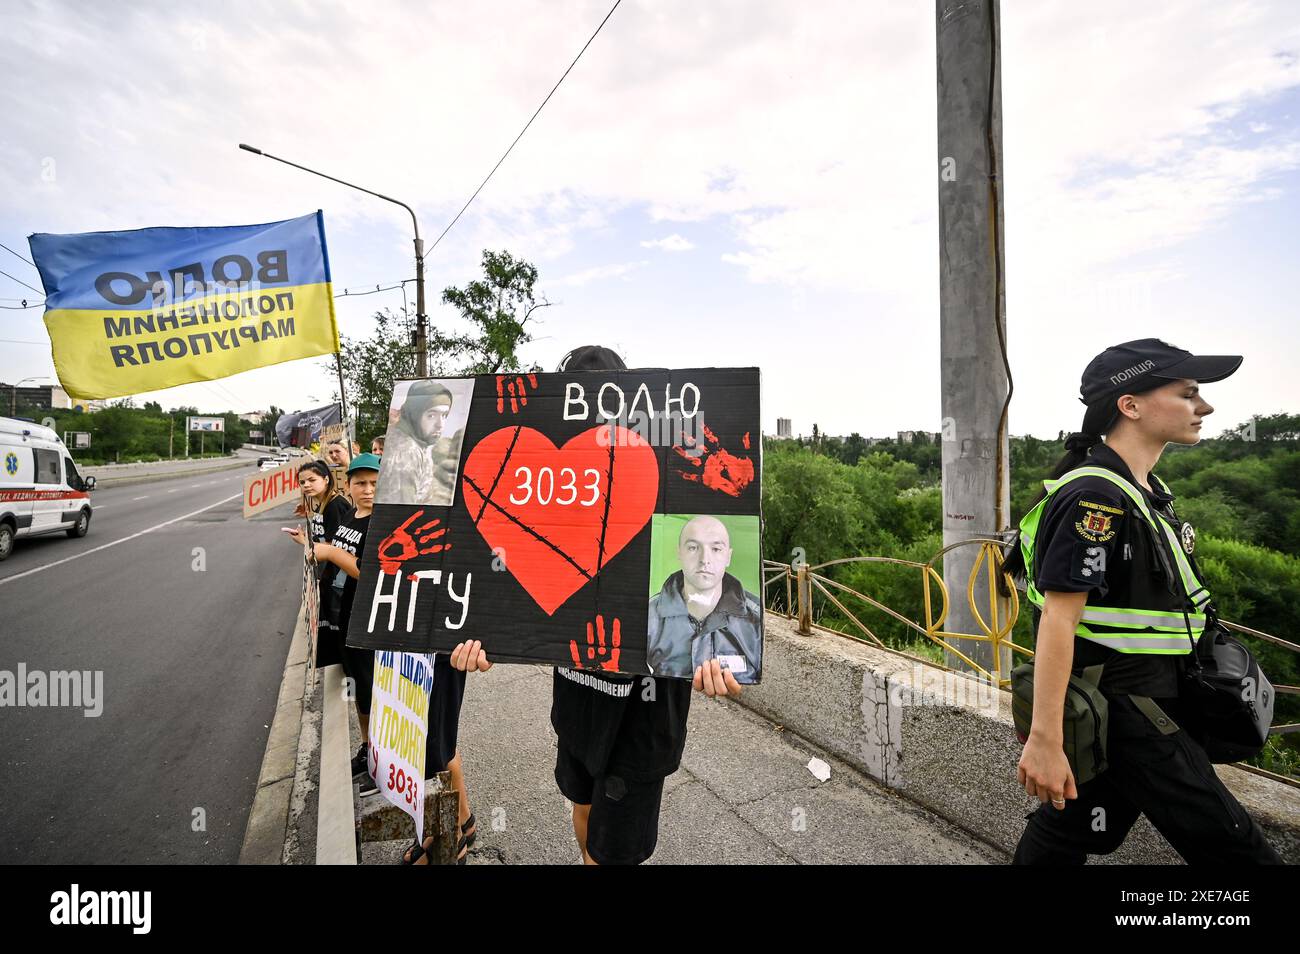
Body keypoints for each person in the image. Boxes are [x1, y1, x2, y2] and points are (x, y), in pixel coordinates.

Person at [451, 345, 744, 866]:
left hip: (644, 718)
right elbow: (503, 589)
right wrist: (481, 638)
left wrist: (716, 654)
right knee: (582, 810)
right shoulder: (545, 500)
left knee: (616, 852)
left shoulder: (667, 485)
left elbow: (704, 587)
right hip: (577, 704)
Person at [1008, 338, 1281, 864]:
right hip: (1134, 711)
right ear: (1130, 405)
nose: (1205, 407)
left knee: (1072, 825)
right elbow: (1058, 621)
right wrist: (1044, 739)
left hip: (1149, 696)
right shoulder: (1096, 497)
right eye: (1188, 394)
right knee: (1236, 847)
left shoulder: (1142, 487)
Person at [288, 455, 378, 781]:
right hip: (343, 618)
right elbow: (335, 548)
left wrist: (330, 553)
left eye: (374, 483)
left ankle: (383, 761)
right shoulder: (351, 516)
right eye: (361, 483)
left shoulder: (383, 522)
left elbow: (369, 573)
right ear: (349, 485)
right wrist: (311, 544)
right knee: (359, 694)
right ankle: (369, 750)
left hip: (368, 623)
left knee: (372, 693)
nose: (367, 490)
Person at [647, 515, 763, 681]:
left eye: (716, 549)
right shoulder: (648, 618)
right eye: (693, 547)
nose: (704, 560)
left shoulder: (756, 621)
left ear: (728, 557)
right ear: (679, 552)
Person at [378, 381, 465, 506]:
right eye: (431, 415)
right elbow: (399, 514)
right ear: (415, 414)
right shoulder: (405, 453)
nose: (440, 424)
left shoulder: (418, 441)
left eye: (444, 415)